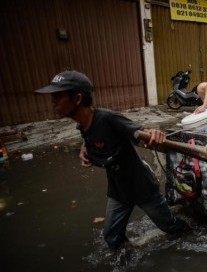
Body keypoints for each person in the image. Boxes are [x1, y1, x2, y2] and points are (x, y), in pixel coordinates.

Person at [35, 70, 190, 253]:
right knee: (111, 236)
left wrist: (154, 132)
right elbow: (94, 138)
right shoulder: (83, 125)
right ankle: (129, 260)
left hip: (141, 186)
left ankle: (191, 233)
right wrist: (86, 149)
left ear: (77, 99)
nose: (53, 101)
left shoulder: (108, 118)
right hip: (118, 189)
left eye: (58, 96)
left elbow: (138, 132)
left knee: (169, 226)